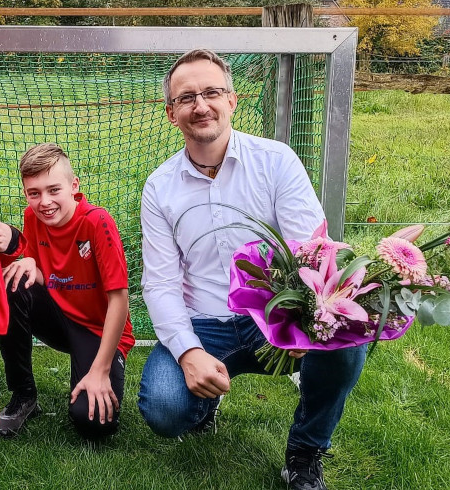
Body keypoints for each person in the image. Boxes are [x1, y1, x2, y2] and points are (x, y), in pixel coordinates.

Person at [137, 50, 365, 490]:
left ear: (232, 100)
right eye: (186, 98)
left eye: (211, 92)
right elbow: (160, 282)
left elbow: (310, 251)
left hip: (273, 317)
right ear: (170, 113)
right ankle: (203, 405)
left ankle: (305, 451)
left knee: (344, 341)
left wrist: (300, 319)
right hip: (205, 322)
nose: (200, 105)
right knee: (164, 409)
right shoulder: (160, 187)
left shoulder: (276, 161)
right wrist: (188, 353)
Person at [0, 143, 135, 439]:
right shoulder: (32, 217)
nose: (44, 202)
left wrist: (100, 370)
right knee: (11, 282)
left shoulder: (97, 222)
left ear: (74, 186)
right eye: (34, 193)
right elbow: (46, 276)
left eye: (53, 190)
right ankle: (24, 395)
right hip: (60, 318)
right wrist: (29, 264)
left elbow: (119, 299)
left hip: (98, 330)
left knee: (94, 424)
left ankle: (98, 365)